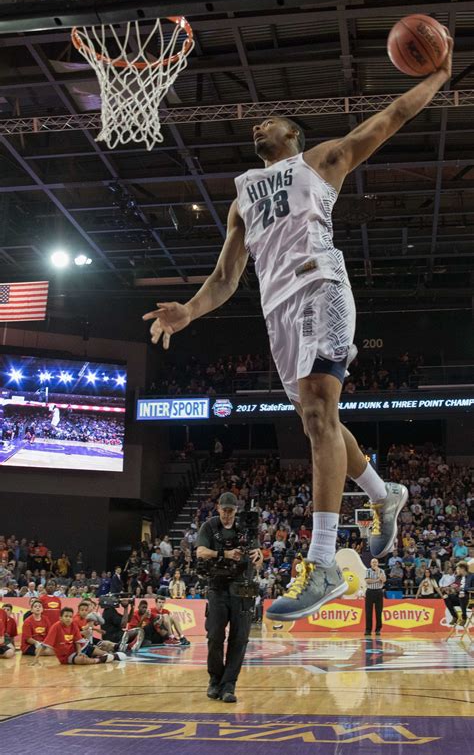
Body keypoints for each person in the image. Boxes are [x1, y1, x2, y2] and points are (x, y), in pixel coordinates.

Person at [143, 39, 453, 621]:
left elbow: (392, 117)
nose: (259, 124)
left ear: (294, 137)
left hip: (319, 286)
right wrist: (188, 310)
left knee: (317, 415)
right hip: (276, 313)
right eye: (257, 123)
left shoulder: (321, 162)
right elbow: (227, 276)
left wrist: (437, 76)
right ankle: (387, 497)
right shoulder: (241, 194)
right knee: (323, 423)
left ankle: (325, 564)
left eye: (271, 121)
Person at [196, 492, 263, 703]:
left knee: (240, 638)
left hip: (243, 587)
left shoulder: (246, 527)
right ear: (218, 508)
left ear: (236, 510)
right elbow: (200, 552)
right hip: (217, 586)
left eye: (230, 511)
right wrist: (224, 554)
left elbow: (257, 555)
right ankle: (214, 680)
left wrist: (258, 557)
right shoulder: (209, 526)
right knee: (215, 635)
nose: (226, 515)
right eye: (223, 510)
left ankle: (228, 685)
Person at [364, 557, 386, 636]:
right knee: (368, 612)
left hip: (378, 592)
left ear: (378, 563)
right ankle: (368, 630)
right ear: (370, 564)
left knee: (378, 611)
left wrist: (378, 573)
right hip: (370, 592)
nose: (374, 564)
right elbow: (368, 581)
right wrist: (377, 580)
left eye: (375, 562)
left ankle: (378, 629)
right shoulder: (368, 571)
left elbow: (383, 580)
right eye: (373, 562)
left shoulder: (381, 571)